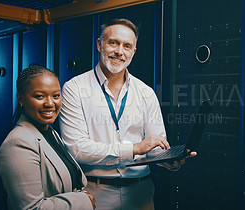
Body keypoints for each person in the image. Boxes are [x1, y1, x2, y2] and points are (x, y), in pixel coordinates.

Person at [59, 18, 196, 210]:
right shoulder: (74, 89)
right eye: (113, 43)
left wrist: (169, 160)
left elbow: (156, 145)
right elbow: (76, 149)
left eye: (127, 46)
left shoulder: (146, 92)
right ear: (99, 44)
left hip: (140, 193)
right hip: (95, 193)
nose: (119, 51)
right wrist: (134, 149)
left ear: (133, 52)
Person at [0, 65, 96, 210]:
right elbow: (31, 208)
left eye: (56, 96)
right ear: (21, 98)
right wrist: (83, 201)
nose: (50, 104)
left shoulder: (51, 133)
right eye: (39, 96)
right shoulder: (17, 144)